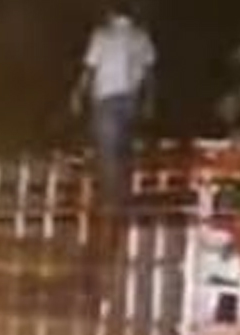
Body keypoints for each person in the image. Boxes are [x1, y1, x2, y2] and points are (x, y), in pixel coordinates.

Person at [72, 5, 156, 209]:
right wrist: (149, 101)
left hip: (106, 98)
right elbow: (150, 73)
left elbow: (90, 69)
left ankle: (112, 200)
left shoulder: (102, 35)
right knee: (124, 148)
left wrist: (77, 93)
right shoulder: (140, 36)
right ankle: (124, 194)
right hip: (130, 100)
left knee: (108, 150)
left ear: (111, 15)